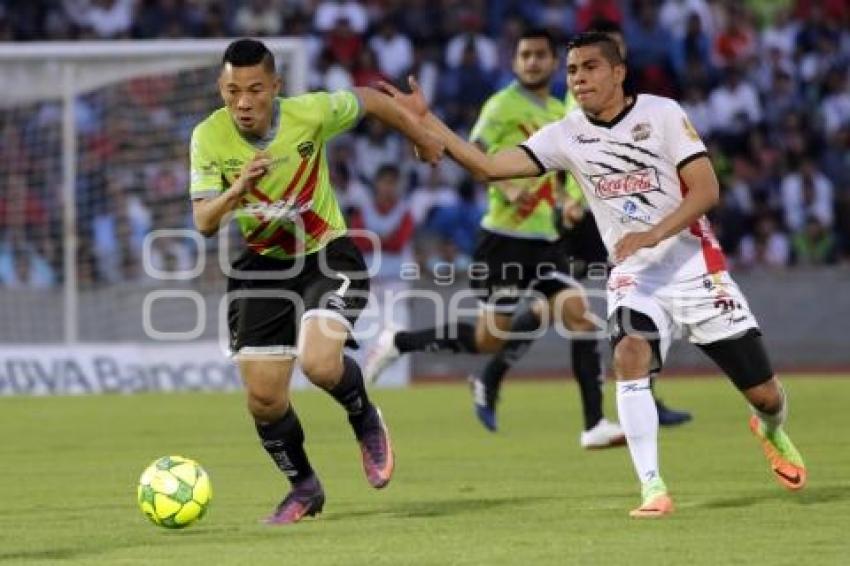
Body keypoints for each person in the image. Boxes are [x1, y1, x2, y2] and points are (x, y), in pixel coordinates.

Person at [378, 31, 806, 518]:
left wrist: (652, 233)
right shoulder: (566, 133)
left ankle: (769, 429)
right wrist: (426, 120)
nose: (578, 79)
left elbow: (707, 191)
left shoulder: (662, 114)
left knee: (765, 395)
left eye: (589, 68)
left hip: (694, 270)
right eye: (572, 71)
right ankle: (653, 487)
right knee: (627, 353)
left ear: (618, 72)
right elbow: (489, 167)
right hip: (636, 278)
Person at [189, 39, 442, 525]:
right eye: (232, 91)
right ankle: (304, 487)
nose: (242, 102)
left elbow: (369, 100)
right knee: (263, 400)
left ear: (276, 88)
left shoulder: (310, 113)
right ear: (221, 89)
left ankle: (364, 417)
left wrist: (419, 132)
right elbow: (203, 221)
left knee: (321, 363)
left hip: (326, 253)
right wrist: (236, 190)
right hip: (262, 264)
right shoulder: (207, 136)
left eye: (255, 90)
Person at [365, 28, 625, 449]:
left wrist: (568, 200)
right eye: (525, 55)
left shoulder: (561, 109)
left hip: (544, 239)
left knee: (578, 314)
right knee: (490, 339)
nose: (533, 62)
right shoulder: (502, 105)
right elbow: (476, 154)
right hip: (504, 239)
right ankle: (400, 341)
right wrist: (506, 188)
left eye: (541, 55)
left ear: (552, 62)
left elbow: (563, 169)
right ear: (514, 61)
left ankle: (594, 423)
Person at [561, 19, 694, 427]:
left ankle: (634, 397)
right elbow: (572, 154)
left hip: (630, 217)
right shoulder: (580, 106)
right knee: (584, 311)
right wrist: (570, 198)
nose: (588, 73)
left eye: (614, 52)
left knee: (610, 311)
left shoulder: (646, 109)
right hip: (590, 219)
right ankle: (599, 413)